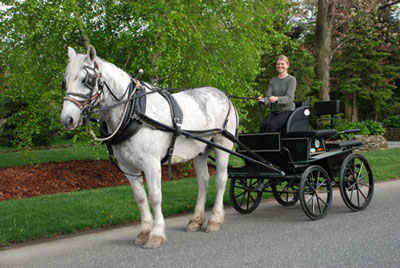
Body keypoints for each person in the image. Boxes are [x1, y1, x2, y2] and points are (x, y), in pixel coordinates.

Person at [257, 55, 296, 132]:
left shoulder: (291, 80)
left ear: (287, 65)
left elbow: (289, 98)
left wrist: (276, 99)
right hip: (275, 111)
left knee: (272, 126)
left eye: (282, 64)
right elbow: (269, 97)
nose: (280, 66)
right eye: (278, 64)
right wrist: (263, 100)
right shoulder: (273, 81)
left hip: (287, 111)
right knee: (264, 125)